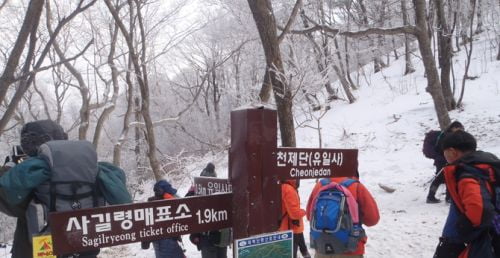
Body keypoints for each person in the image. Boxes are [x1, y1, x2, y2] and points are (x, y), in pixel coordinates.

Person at [0, 120, 131, 258]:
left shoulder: (29, 175)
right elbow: (121, 199)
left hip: (40, 252)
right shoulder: (91, 170)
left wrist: (8, 168)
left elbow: (9, 203)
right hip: (84, 249)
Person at [434, 130, 500, 258]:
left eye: (444, 152)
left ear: (452, 152)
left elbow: (479, 208)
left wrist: (465, 225)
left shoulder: (466, 173)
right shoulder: (488, 164)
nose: (444, 156)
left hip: (485, 236)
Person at [306, 175, 380, 258]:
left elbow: (309, 216)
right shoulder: (356, 186)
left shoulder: (320, 185)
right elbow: (373, 220)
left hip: (322, 248)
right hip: (351, 250)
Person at [188, 163, 229, 258]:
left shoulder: (222, 191)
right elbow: (191, 212)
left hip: (218, 237)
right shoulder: (195, 193)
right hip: (210, 237)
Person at [423, 121, 464, 203]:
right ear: (453, 128)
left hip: (442, 160)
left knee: (442, 179)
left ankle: (433, 197)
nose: (460, 131)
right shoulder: (447, 136)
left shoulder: (447, 135)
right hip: (443, 160)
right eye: (459, 129)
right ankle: (445, 198)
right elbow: (444, 149)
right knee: (447, 178)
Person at [142, 180, 185, 258]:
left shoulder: (169, 201)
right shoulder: (153, 203)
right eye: (170, 192)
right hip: (163, 242)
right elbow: (147, 223)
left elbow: (183, 204)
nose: (172, 194)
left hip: (171, 240)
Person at [280, 179, 311, 258]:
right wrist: (304, 212)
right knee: (292, 253)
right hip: (291, 228)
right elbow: (295, 214)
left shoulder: (283, 186)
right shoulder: (288, 189)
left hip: (287, 227)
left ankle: (305, 254)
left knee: (302, 248)